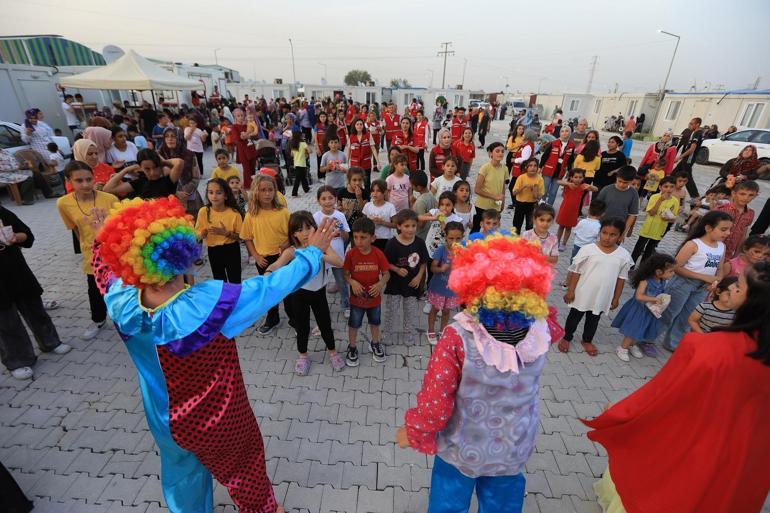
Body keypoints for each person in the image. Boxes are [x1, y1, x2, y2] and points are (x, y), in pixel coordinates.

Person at [90, 196, 335, 513]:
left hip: (162, 418)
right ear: (182, 253)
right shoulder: (206, 305)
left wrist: (102, 239)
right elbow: (270, 287)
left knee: (181, 471)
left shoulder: (121, 299)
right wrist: (312, 254)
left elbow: (104, 273)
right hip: (218, 422)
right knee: (245, 472)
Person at [583, 262, 770, 513]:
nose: (732, 287)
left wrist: (620, 412)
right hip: (750, 459)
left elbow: (662, 397)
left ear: (753, 301)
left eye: (739, 285)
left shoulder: (708, 348)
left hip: (694, 446)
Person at [397, 230, 554, 513]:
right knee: (501, 505)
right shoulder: (540, 331)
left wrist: (415, 431)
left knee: (449, 503)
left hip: (462, 447)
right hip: (514, 446)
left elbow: (437, 399)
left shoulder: (458, 336)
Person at [266, 211, 346, 375]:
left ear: (315, 229)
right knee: (302, 327)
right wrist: (267, 273)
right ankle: (303, 356)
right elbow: (276, 265)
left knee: (325, 325)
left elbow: (340, 261)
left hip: (319, 294)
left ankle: (332, 352)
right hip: (299, 295)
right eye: (299, 229)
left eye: (308, 228)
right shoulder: (292, 251)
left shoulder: (322, 247)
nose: (304, 233)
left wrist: (319, 254)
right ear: (293, 233)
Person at [0, 205, 71, 380]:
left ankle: (50, 342)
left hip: (16, 271)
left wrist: (16, 237)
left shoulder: (1, 212)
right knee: (7, 322)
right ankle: (19, 360)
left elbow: (27, 235)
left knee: (35, 309)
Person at [56, 160, 118, 340]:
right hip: (92, 255)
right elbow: (76, 230)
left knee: (120, 287)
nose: (85, 184)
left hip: (115, 253)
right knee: (95, 289)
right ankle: (98, 320)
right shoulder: (63, 204)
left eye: (89, 179)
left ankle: (125, 318)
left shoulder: (110, 199)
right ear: (69, 181)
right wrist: (86, 247)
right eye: (79, 180)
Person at [656, 211, 733, 352]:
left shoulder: (722, 247)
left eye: (729, 229)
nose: (727, 233)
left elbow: (720, 268)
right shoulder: (693, 245)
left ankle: (672, 342)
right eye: (723, 229)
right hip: (682, 284)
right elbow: (676, 268)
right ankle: (647, 339)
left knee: (688, 316)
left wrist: (717, 281)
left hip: (702, 288)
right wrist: (704, 277)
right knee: (669, 312)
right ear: (708, 228)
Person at [560, 217, 633, 356]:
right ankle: (567, 337)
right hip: (582, 293)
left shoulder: (623, 255)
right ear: (599, 232)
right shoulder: (587, 250)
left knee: (594, 319)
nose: (607, 238)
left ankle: (587, 340)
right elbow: (576, 271)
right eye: (604, 233)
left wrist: (616, 298)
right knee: (574, 317)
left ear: (620, 236)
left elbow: (621, 279)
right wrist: (570, 290)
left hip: (602, 295)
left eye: (613, 234)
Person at [240, 175, 292, 335]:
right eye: (263, 190)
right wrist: (255, 256)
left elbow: (293, 234)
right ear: (256, 192)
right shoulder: (251, 215)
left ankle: (294, 317)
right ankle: (272, 317)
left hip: (284, 258)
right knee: (268, 291)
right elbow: (247, 237)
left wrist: (286, 244)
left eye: (270, 190)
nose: (267, 194)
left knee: (287, 290)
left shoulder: (283, 212)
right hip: (263, 260)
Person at [611, 253, 676, 361]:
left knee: (642, 329)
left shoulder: (662, 281)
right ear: (658, 272)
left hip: (650, 311)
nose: (673, 274)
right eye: (670, 271)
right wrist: (654, 299)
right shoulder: (645, 281)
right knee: (633, 329)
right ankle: (622, 348)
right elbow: (639, 296)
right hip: (639, 310)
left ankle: (632, 345)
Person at [343, 217, 390, 366]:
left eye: (363, 237)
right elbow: (345, 274)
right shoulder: (350, 255)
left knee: (375, 323)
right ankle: (352, 347)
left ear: (373, 238)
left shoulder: (378, 254)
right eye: (355, 237)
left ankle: (375, 343)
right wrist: (352, 281)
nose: (359, 241)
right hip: (356, 300)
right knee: (354, 324)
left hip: (374, 299)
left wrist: (380, 283)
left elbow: (387, 273)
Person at [384, 209, 429, 345]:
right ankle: (387, 334)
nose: (410, 229)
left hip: (412, 285)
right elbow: (385, 263)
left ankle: (409, 333)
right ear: (399, 226)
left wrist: (419, 277)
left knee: (410, 312)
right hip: (395, 285)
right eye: (406, 226)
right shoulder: (392, 243)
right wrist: (397, 269)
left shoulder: (420, 243)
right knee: (391, 311)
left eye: (413, 226)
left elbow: (423, 262)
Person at [195, 178, 243, 283]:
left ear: (226, 195)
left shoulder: (234, 213)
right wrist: (202, 235)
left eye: (219, 192)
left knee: (235, 280)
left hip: (231, 249)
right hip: (213, 251)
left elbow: (241, 236)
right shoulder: (204, 212)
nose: (214, 196)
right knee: (219, 281)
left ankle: (236, 299)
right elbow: (197, 234)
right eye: (211, 192)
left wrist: (226, 233)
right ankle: (224, 299)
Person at [425, 222, 464, 345]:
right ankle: (431, 330)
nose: (454, 241)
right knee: (435, 309)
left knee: (447, 311)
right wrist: (442, 269)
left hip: (452, 289)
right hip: (438, 288)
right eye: (451, 238)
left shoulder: (463, 251)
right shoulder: (441, 249)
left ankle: (443, 331)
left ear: (462, 237)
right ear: (445, 237)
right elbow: (432, 268)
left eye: (458, 238)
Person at [314, 185, 350, 314]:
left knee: (342, 282)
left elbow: (346, 238)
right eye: (324, 199)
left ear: (335, 199)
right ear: (318, 201)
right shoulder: (315, 217)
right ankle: (320, 308)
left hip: (338, 256)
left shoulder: (340, 215)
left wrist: (340, 231)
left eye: (330, 198)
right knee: (320, 283)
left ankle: (346, 305)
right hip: (322, 257)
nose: (327, 201)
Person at [630, 176, 679, 265]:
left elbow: (674, 218)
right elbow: (652, 213)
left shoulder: (675, 201)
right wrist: (660, 200)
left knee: (649, 251)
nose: (669, 189)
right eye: (666, 186)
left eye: (672, 186)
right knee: (639, 248)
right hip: (648, 228)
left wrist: (669, 218)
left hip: (660, 230)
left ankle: (643, 267)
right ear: (660, 187)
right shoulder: (654, 197)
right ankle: (631, 265)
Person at [104, 149, 183, 200]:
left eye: (155, 167)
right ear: (141, 168)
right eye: (147, 169)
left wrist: (163, 162)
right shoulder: (140, 183)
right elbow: (107, 189)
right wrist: (126, 170)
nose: (153, 172)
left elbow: (179, 162)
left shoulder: (169, 180)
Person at [158, 128, 203, 216]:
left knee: (193, 223)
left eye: (173, 136)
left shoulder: (189, 154)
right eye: (166, 136)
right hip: (167, 197)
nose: (170, 139)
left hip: (189, 195)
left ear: (179, 138)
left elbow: (196, 177)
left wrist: (184, 192)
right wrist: (175, 192)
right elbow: (158, 178)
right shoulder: (159, 155)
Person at [714, 180, 759, 258]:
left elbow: (743, 234)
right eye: (742, 194)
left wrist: (736, 254)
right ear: (734, 193)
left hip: (729, 253)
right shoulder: (720, 209)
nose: (746, 198)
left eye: (751, 195)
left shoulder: (750, 213)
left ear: (755, 196)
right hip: (713, 248)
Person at [556, 169, 597, 252]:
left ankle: (564, 243)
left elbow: (596, 189)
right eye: (576, 177)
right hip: (564, 209)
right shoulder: (568, 185)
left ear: (583, 178)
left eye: (580, 177)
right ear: (571, 177)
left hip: (574, 211)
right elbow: (558, 182)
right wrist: (568, 183)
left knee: (568, 228)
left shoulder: (583, 186)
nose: (578, 179)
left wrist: (590, 186)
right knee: (561, 226)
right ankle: (557, 242)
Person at [595, 166, 639, 243]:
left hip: (618, 229)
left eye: (625, 183)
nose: (621, 184)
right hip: (601, 226)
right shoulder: (606, 189)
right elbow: (596, 208)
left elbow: (632, 215)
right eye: (619, 181)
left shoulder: (634, 193)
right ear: (616, 177)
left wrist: (623, 232)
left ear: (631, 181)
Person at [472, 142, 507, 232]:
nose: (500, 153)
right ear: (491, 153)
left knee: (492, 231)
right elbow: (477, 189)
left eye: (502, 151)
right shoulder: (485, 168)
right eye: (497, 151)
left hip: (495, 207)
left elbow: (502, 187)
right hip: (482, 206)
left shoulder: (505, 168)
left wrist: (503, 202)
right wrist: (494, 197)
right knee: (476, 229)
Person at [419, 191, 463, 260]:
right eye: (442, 204)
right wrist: (433, 218)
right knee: (428, 266)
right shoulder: (435, 212)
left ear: (453, 206)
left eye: (448, 205)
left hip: (443, 251)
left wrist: (442, 222)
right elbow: (419, 217)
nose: (444, 208)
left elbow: (448, 234)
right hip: (429, 247)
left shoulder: (456, 219)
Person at [539, 126, 575, 205]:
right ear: (560, 133)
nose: (564, 133)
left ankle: (549, 206)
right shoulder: (554, 143)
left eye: (566, 131)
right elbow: (545, 155)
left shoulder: (572, 146)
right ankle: (541, 204)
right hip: (548, 170)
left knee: (553, 191)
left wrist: (570, 171)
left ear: (570, 133)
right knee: (544, 189)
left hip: (560, 172)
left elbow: (571, 160)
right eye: (562, 131)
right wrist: (540, 167)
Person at [510, 158, 544, 233]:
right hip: (520, 204)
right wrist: (523, 187)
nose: (533, 168)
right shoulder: (521, 177)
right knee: (516, 225)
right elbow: (514, 193)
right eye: (530, 165)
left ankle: (527, 242)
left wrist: (535, 189)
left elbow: (539, 197)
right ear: (526, 167)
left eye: (535, 166)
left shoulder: (540, 179)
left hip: (532, 205)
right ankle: (515, 241)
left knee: (530, 225)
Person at [673, 117, 704, 200]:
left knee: (688, 178)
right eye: (689, 123)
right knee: (674, 175)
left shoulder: (698, 133)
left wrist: (679, 157)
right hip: (685, 159)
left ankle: (696, 197)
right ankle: (670, 190)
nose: (689, 125)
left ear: (697, 124)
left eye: (691, 123)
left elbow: (692, 149)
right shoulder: (694, 133)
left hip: (688, 159)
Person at [363, 179, 397, 253]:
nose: (375, 193)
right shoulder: (367, 206)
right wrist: (370, 222)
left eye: (378, 191)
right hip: (370, 238)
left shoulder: (390, 207)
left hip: (385, 239)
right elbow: (363, 223)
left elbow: (396, 225)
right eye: (373, 191)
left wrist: (382, 222)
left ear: (384, 192)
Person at [347, 118, 378, 188]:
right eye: (357, 124)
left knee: (367, 183)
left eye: (361, 124)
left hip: (366, 163)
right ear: (354, 126)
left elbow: (373, 148)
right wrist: (347, 162)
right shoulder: (351, 137)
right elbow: (349, 150)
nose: (359, 126)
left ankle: (367, 197)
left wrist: (378, 162)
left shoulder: (368, 135)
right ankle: (356, 197)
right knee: (355, 183)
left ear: (363, 125)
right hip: (355, 164)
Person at [289, 131, 310, 196]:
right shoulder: (303, 144)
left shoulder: (293, 144)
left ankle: (306, 189)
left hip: (296, 163)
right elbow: (310, 151)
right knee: (298, 179)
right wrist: (305, 152)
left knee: (303, 177)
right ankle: (294, 192)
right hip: (302, 163)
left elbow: (292, 154)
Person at [314, 111, 331, 181]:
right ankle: (320, 177)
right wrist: (317, 148)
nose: (323, 118)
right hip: (320, 147)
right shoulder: (316, 126)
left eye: (324, 117)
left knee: (327, 162)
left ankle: (326, 175)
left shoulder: (328, 126)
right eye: (321, 117)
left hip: (327, 147)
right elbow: (315, 139)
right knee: (320, 162)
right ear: (319, 118)